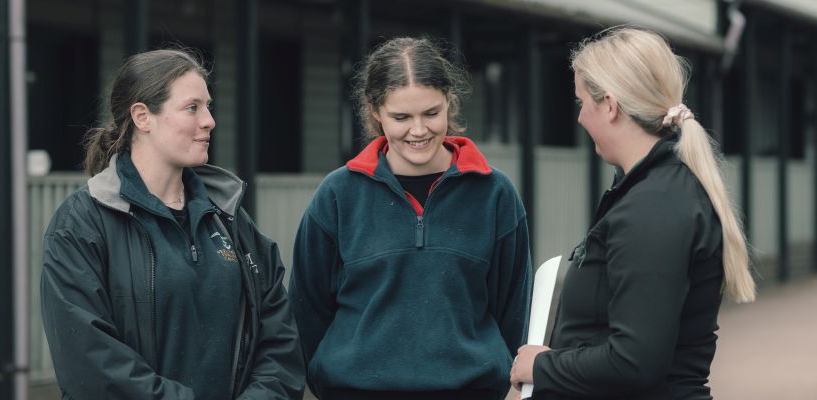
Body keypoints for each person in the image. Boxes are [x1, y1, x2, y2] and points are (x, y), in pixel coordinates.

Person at [41, 49, 306, 399]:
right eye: (193, 107)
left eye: (208, 106)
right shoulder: (81, 224)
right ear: (142, 116)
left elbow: (279, 340)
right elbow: (90, 365)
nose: (209, 120)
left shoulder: (230, 218)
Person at [509, 27, 756, 399]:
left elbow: (633, 361)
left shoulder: (654, 205)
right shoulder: (655, 191)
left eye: (581, 103)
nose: (579, 119)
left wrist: (541, 365)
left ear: (609, 105)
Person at [288, 37, 533, 400]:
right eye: (401, 117)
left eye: (431, 113)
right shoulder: (337, 195)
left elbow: (514, 310)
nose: (418, 131)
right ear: (375, 111)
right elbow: (306, 313)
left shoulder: (495, 194)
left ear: (449, 102)